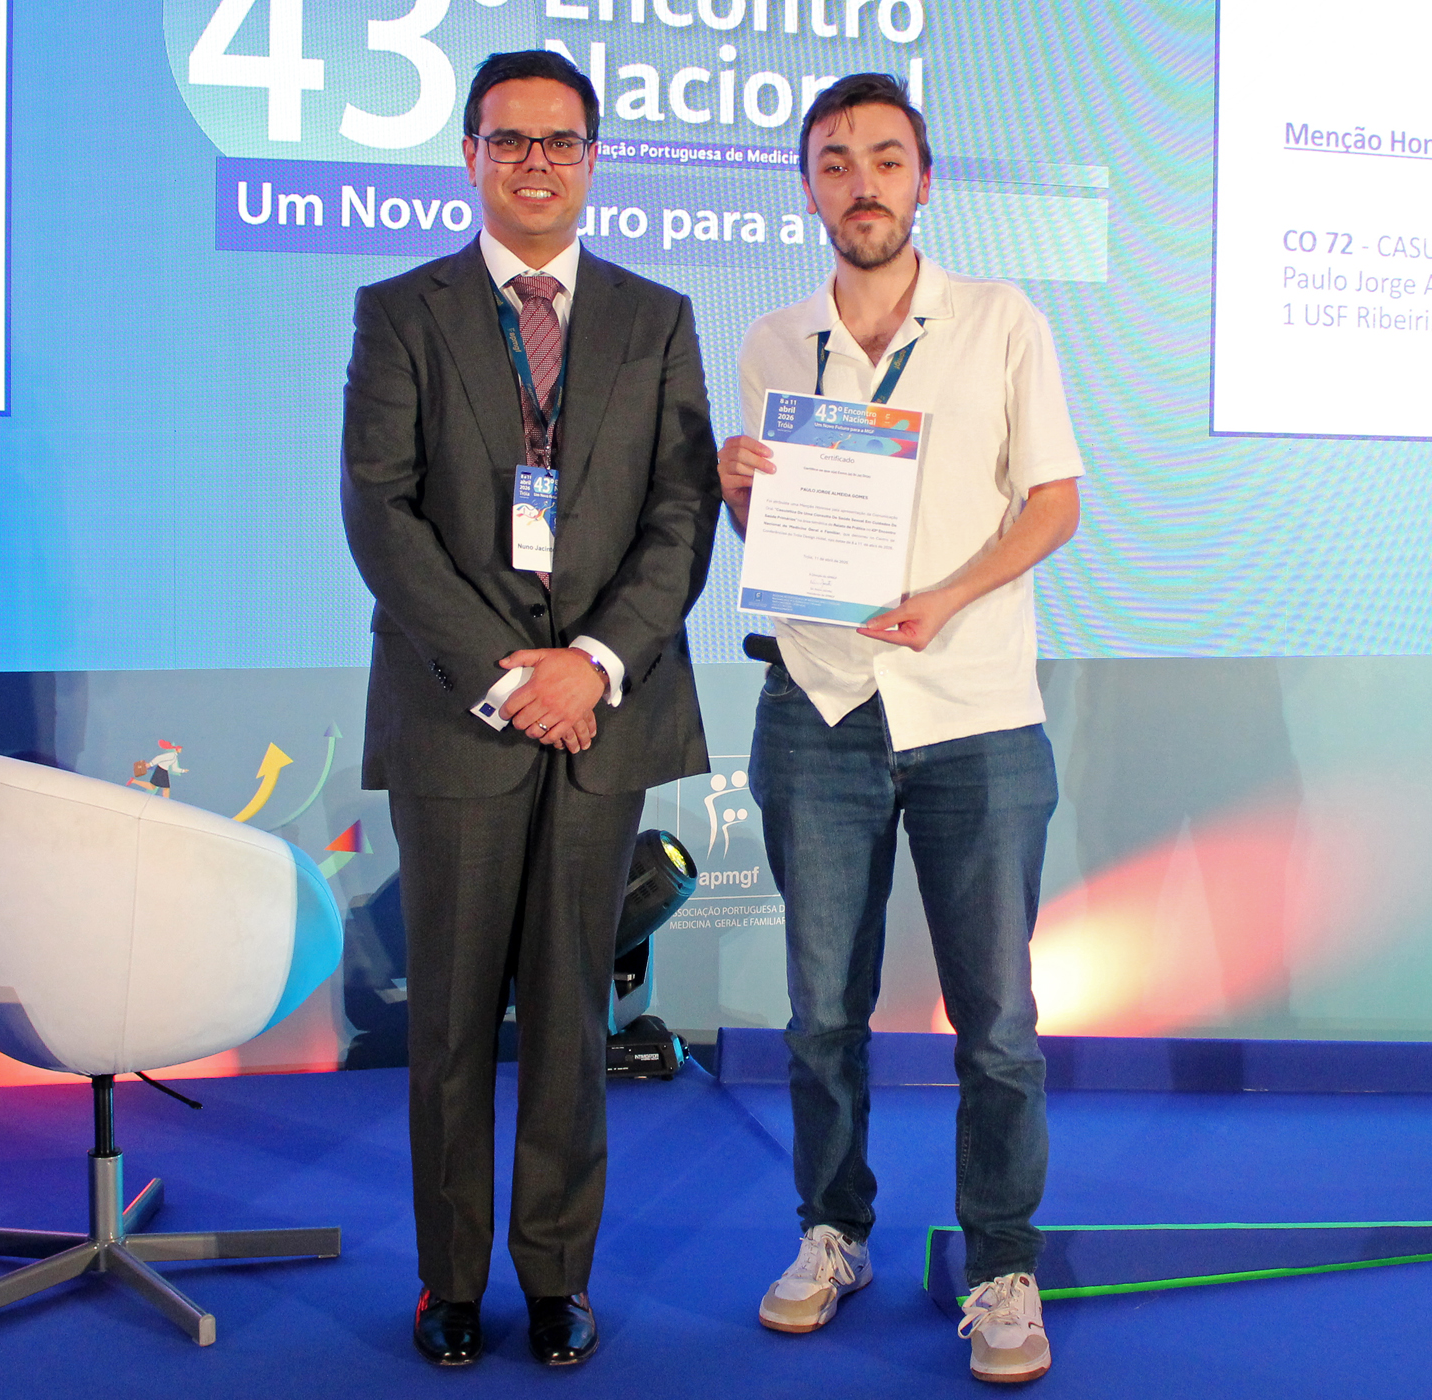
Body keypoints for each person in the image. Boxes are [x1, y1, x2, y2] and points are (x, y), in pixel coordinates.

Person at [339, 48, 719, 1370]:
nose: (536, 163)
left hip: (603, 715)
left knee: (570, 1017)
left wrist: (592, 663)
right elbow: (380, 513)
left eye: (560, 141)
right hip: (461, 715)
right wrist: (509, 673)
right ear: (471, 157)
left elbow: (680, 515)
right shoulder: (401, 311)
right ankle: (450, 1283)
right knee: (448, 1020)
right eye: (510, 141)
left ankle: (557, 1278)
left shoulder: (657, 318)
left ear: (593, 159)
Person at [716, 72, 1085, 1385]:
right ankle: (833, 1230)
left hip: (974, 707)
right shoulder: (773, 342)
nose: (860, 182)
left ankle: (1002, 1265)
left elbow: (1054, 502)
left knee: (996, 1022)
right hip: (818, 705)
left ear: (923, 181)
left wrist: (948, 597)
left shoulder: (999, 320)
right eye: (834, 161)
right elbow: (782, 539)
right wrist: (737, 492)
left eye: (885, 158)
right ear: (809, 188)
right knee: (823, 1013)